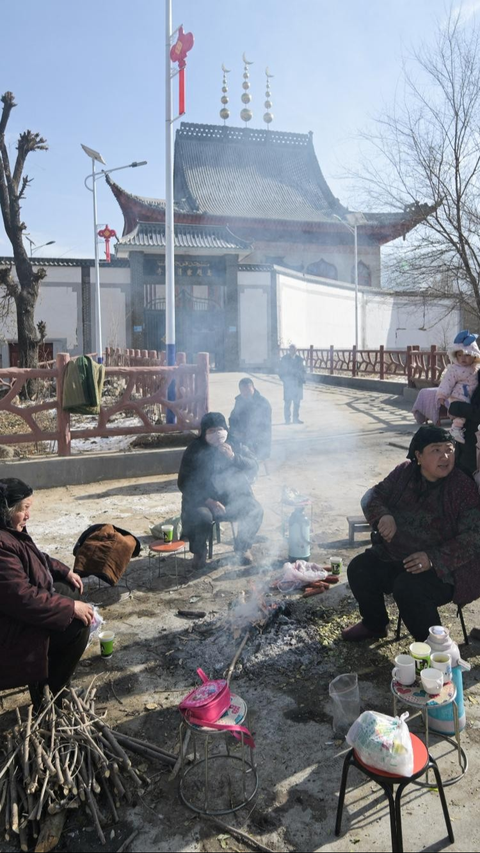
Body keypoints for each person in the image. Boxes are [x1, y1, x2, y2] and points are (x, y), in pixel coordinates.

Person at [342, 426, 480, 643]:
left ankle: (436, 650)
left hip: (445, 569)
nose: (445, 457)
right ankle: (374, 624)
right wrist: (383, 516)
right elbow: (373, 495)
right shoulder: (404, 472)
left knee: (409, 589)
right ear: (418, 455)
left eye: (449, 449)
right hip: (397, 554)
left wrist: (432, 558)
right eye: (436, 450)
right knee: (360, 568)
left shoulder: (461, 486)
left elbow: (473, 537)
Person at [0, 478, 93, 707]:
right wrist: (69, 608)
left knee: (68, 589)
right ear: (6, 509)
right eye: (24, 509)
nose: (28, 515)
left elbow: (34, 556)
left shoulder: (10, 531)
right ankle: (51, 696)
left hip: (16, 613)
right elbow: (22, 597)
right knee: (78, 626)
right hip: (8, 630)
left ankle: (52, 679)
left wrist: (64, 571)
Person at [178, 412, 264, 570]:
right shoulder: (194, 449)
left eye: (219, 429)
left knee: (255, 509)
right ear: (203, 433)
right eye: (211, 431)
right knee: (201, 517)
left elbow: (254, 465)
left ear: (225, 429)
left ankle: (242, 547)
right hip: (203, 500)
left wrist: (234, 457)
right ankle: (199, 551)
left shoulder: (236, 444)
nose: (216, 434)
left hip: (232, 498)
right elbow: (184, 482)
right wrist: (208, 501)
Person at [436, 329, 480, 443]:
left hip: (471, 398)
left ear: (474, 356)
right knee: (461, 415)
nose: (463, 358)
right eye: (460, 355)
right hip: (459, 396)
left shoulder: (475, 368)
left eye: (467, 355)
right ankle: (455, 430)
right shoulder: (454, 369)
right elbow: (447, 382)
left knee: (466, 414)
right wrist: (442, 395)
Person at [229, 378, 272, 461]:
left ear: (253, 387)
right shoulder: (239, 400)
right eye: (242, 390)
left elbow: (264, 427)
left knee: (245, 447)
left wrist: (246, 435)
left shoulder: (263, 403)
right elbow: (233, 418)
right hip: (241, 435)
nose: (245, 393)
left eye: (248, 390)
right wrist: (234, 431)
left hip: (258, 439)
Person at [279, 344, 306, 424]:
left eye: (294, 349)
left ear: (296, 350)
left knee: (297, 403)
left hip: (297, 384)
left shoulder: (300, 359)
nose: (292, 351)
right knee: (287, 402)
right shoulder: (284, 359)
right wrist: (284, 379)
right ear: (289, 350)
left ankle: (295, 419)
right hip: (288, 384)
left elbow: (304, 370)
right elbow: (280, 371)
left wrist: (302, 379)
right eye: (291, 349)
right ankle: (287, 420)